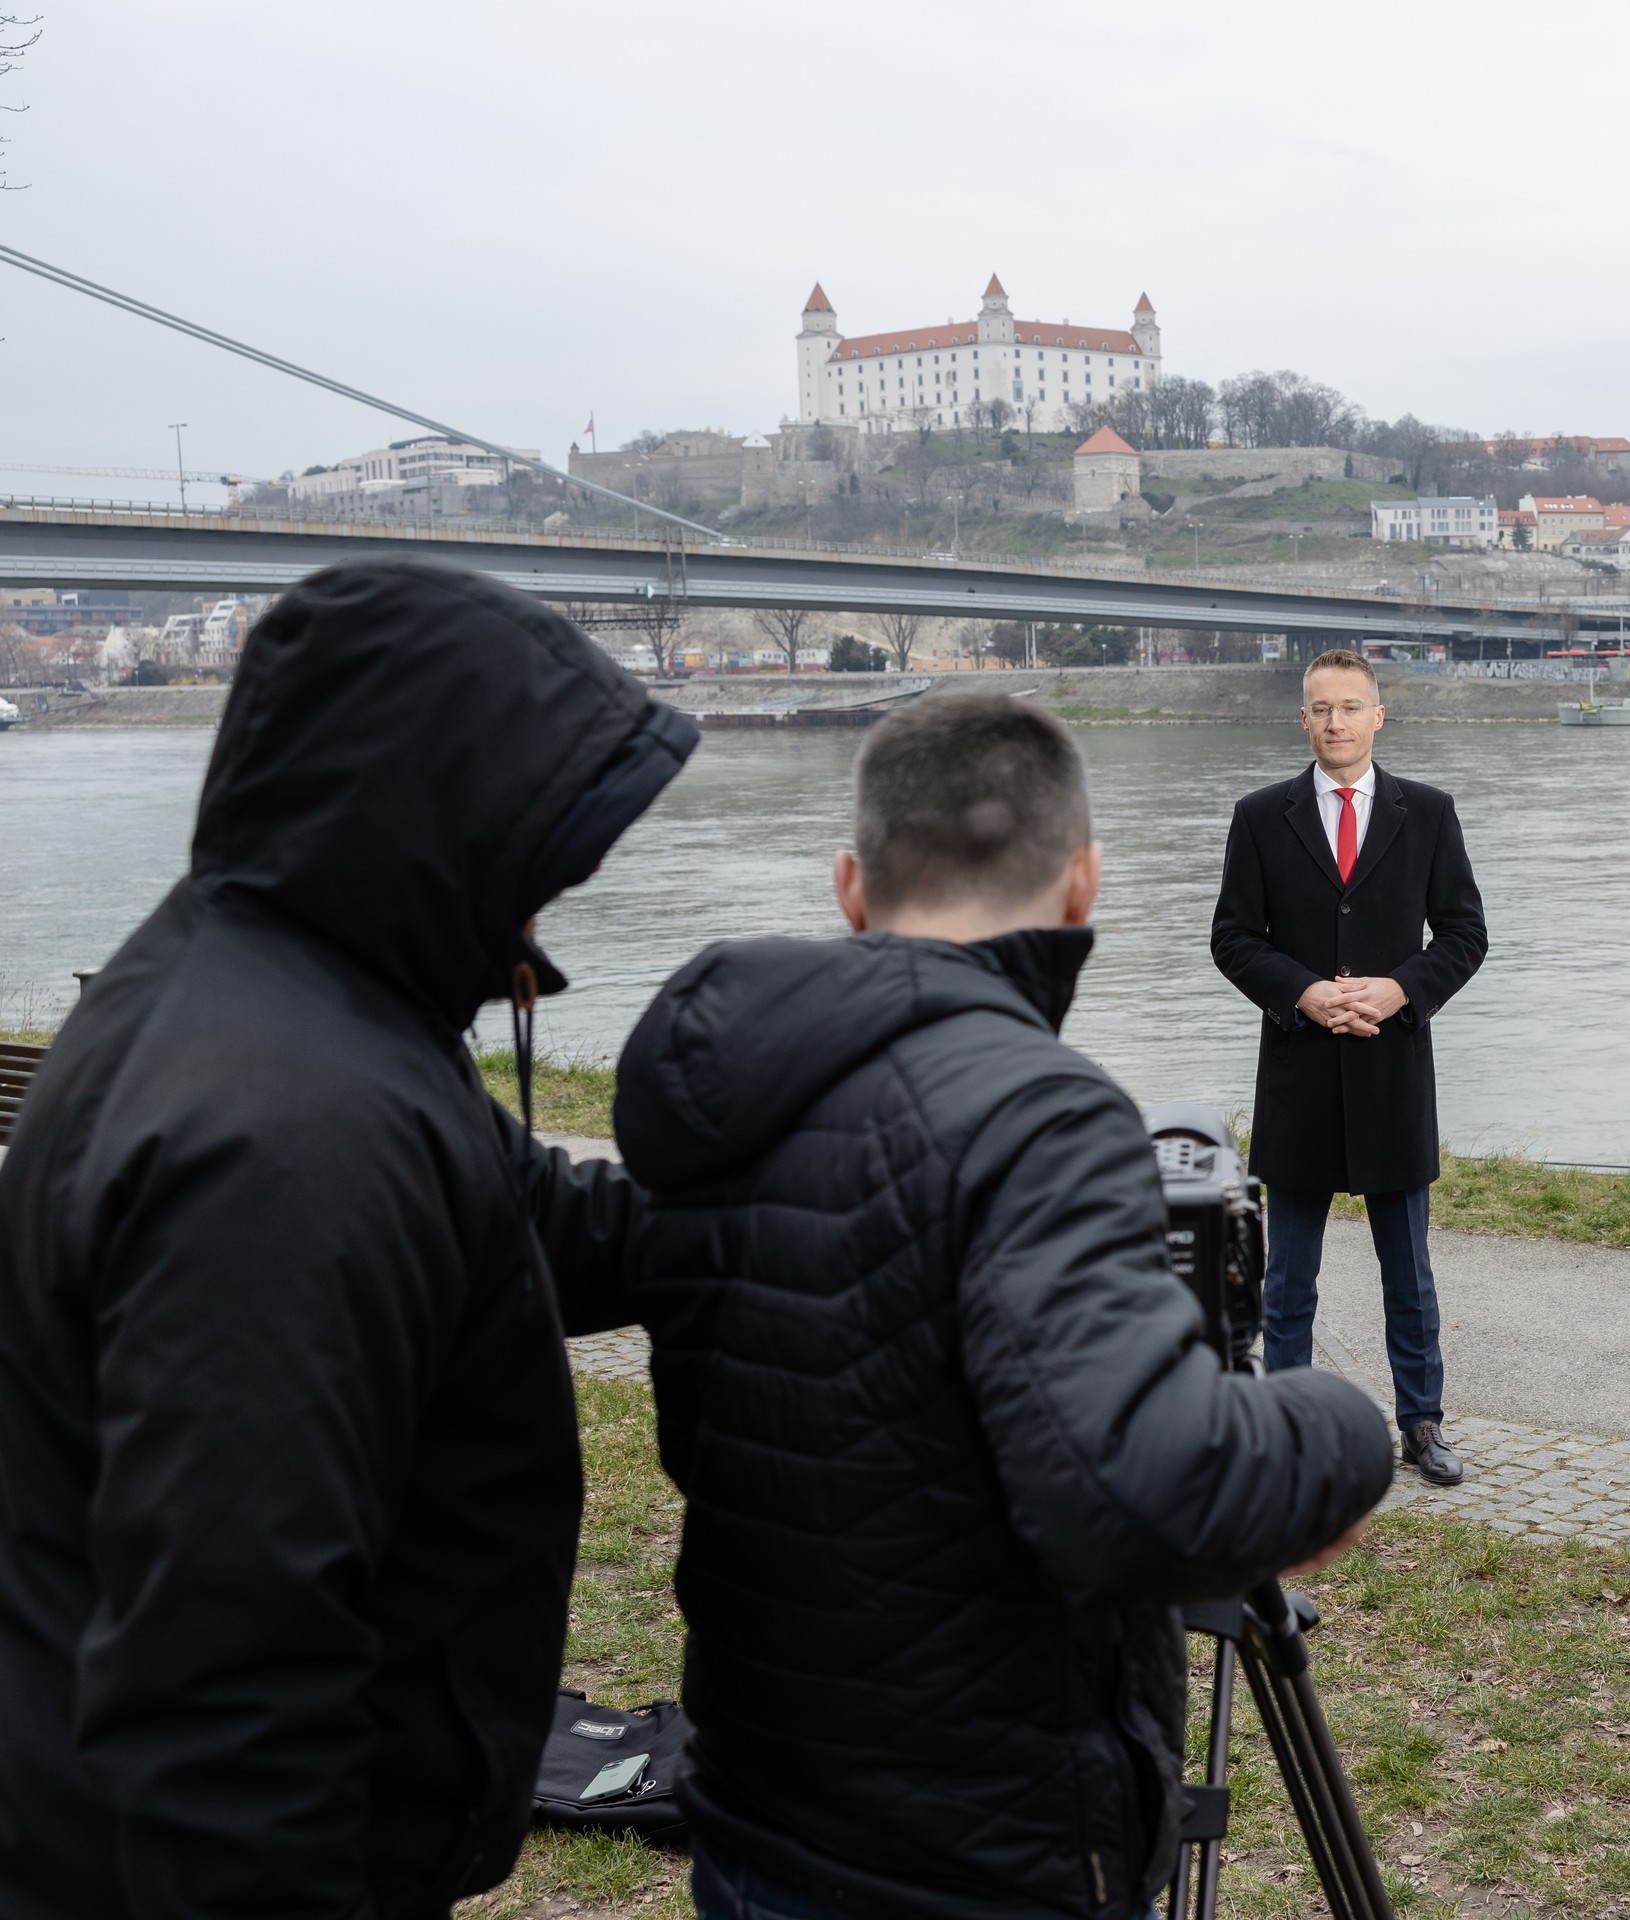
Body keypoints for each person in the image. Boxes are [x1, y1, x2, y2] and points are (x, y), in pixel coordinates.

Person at [612, 693, 1392, 1920]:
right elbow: (1143, 1491)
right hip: (983, 1848)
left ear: (849, 889)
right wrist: (1342, 1431)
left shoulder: (721, 1097)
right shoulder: (1045, 1115)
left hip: (758, 1810)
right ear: (1083, 885)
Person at [0, 558, 695, 1918]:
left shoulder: (282, 997)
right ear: (442, 816)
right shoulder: (279, 1138)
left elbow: (532, 1222)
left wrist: (809, 1211)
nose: (552, 904)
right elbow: (226, 1694)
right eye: (545, 844)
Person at [1211, 650, 1491, 1488]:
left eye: (1350, 707)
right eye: (1320, 709)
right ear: (1303, 720)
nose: (1335, 721)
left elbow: (1466, 935)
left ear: (1379, 716)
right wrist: (1304, 994)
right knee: (1289, 1277)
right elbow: (1232, 939)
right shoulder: (1261, 816)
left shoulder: (1429, 813)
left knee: (1408, 1272)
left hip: (1391, 1075)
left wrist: (1398, 989)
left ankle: (1422, 1424)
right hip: (1298, 1076)